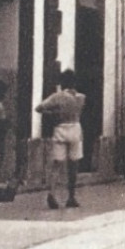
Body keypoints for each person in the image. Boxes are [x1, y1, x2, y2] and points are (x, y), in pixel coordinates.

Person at [37, 71, 86, 208]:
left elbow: (39, 108)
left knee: (57, 165)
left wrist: (53, 114)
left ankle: (52, 194)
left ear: (62, 82)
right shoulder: (81, 98)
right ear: (74, 82)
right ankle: (71, 197)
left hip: (60, 129)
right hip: (75, 129)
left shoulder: (56, 97)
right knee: (73, 165)